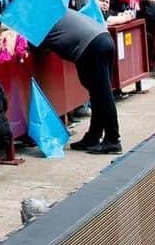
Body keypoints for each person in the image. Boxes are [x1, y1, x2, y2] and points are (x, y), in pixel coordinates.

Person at [38, 8, 121, 154]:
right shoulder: (56, 9)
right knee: (98, 95)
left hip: (91, 46)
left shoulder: (42, 22)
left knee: (103, 95)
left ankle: (113, 139)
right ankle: (93, 136)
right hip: (102, 38)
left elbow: (36, 46)